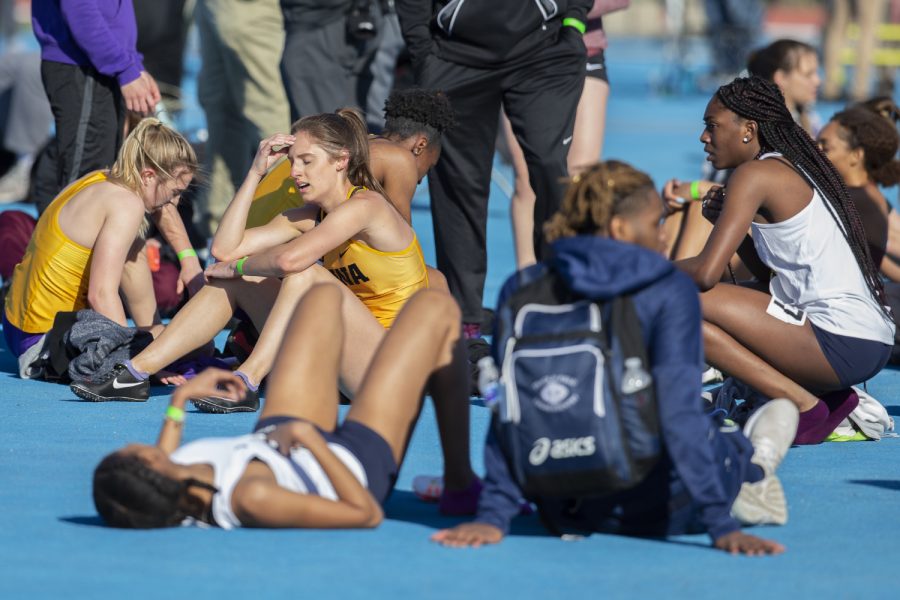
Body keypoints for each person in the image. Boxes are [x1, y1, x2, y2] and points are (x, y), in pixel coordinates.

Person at [432, 161, 798, 555]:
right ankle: (756, 464)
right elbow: (678, 414)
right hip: (659, 508)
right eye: (655, 223)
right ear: (621, 230)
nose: (662, 238)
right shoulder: (665, 287)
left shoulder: (521, 289)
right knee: (731, 436)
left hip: (562, 506)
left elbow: (507, 407)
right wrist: (721, 526)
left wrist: (493, 516)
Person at [71, 109, 430, 412]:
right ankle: (133, 373)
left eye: (307, 161)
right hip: (339, 359)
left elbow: (291, 261)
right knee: (230, 279)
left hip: (388, 374)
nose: (295, 172)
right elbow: (225, 250)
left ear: (341, 161)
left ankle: (247, 381)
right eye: (293, 162)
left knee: (302, 275)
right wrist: (255, 172)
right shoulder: (310, 215)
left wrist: (236, 266)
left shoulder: (366, 206)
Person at [92, 284, 480, 529]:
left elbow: (166, 448)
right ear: (150, 467)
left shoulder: (175, 473)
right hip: (352, 463)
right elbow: (365, 515)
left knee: (321, 298)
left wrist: (180, 399)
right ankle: (460, 484)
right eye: (131, 452)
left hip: (277, 437)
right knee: (436, 306)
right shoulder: (250, 497)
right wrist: (310, 440)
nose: (130, 444)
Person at [675, 76, 894, 445]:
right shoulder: (786, 166)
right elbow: (771, 276)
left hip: (839, 340)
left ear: (749, 129)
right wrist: (732, 231)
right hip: (863, 341)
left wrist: (636, 269)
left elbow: (706, 274)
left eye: (711, 126)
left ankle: (804, 405)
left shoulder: (755, 174)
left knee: (681, 300)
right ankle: (821, 397)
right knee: (735, 295)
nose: (703, 137)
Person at [396, 0, 592, 339]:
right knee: (459, 183)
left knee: (550, 167)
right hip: (453, 55)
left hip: (544, 48)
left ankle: (557, 297)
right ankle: (466, 319)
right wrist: (423, 52)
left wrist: (574, 23)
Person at [3, 119, 197, 368]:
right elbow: (101, 295)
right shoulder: (127, 204)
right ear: (148, 175)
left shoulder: (101, 178)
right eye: (175, 193)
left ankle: (150, 329)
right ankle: (148, 337)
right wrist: (132, 366)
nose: (176, 203)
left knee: (134, 245)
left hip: (17, 328)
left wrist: (188, 257)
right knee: (190, 344)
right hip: (43, 344)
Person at [501, 0, 620, 270]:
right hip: (519, 54)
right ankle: (527, 277)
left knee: (581, 173)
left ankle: (574, 271)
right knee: (526, 176)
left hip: (582, 49)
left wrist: (559, 9)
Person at [30, 0, 161, 214]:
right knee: (85, 187)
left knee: (102, 179)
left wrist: (133, 65)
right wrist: (124, 68)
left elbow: (115, 12)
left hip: (101, 64)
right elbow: (81, 9)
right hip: (82, 64)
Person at [194, 0, 291, 236]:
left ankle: (286, 217)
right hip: (211, 7)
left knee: (264, 112)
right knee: (218, 106)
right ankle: (218, 227)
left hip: (250, 8)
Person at [817, 105, 900, 281]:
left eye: (825, 147)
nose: (815, 152)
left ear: (856, 155)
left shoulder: (859, 199)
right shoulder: (865, 194)